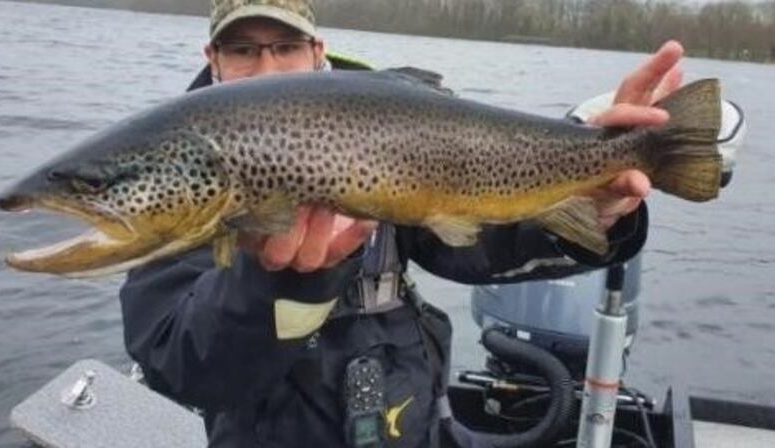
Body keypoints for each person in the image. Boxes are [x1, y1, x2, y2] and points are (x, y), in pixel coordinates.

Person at [120, 1, 688, 446]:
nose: (265, 67)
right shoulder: (178, 167)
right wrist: (270, 282)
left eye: (285, 46)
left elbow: (479, 242)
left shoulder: (381, 123)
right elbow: (180, 365)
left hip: (407, 414)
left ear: (317, 51)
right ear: (213, 59)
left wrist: (594, 208)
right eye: (242, 49)